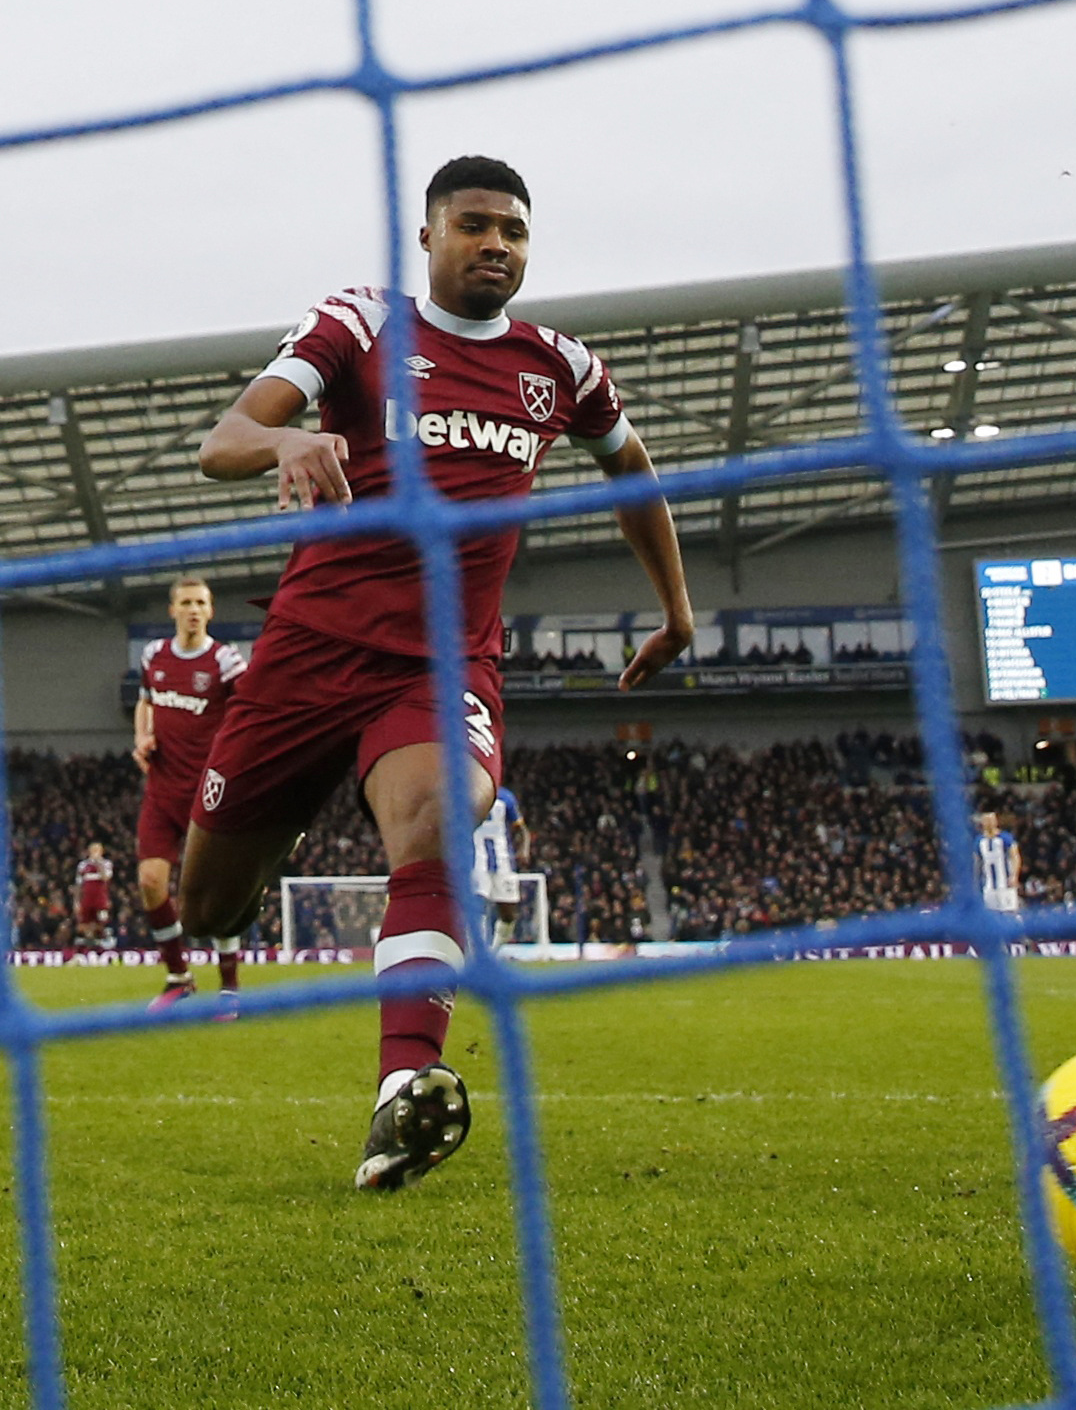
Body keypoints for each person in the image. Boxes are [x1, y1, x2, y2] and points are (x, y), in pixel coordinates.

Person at [179, 155, 695, 1191]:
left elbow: (631, 471)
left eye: (513, 229)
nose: (496, 243)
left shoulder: (562, 367)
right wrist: (283, 441)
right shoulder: (364, 325)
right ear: (429, 238)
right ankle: (295, 819)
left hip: (441, 664)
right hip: (305, 657)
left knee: (440, 818)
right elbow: (222, 438)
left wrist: (677, 608)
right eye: (474, 225)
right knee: (208, 907)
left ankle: (403, 1093)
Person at [133, 576, 248, 1012]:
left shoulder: (225, 660)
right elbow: (146, 701)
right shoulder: (154, 656)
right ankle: (178, 977)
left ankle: (229, 988)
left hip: (208, 792)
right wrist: (143, 736)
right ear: (173, 610)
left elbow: (247, 713)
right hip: (162, 789)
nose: (194, 609)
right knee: (150, 882)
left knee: (215, 892)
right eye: (186, 602)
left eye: (201, 602)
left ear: (211, 610)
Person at [473, 784, 532, 948]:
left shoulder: (505, 797)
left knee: (508, 915)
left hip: (504, 861)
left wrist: (524, 849)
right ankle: (478, 955)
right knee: (478, 909)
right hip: (476, 862)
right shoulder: (466, 794)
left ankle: (493, 952)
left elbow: (522, 829)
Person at [975, 810, 1022, 913]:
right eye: (986, 820)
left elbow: (1015, 857)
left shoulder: (1005, 837)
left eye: (992, 820)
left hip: (1006, 884)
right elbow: (976, 862)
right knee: (991, 914)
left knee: (1010, 913)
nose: (989, 823)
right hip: (988, 886)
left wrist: (1014, 875)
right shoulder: (979, 841)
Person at [73, 841, 114, 952]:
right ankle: (83, 950)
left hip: (100, 898)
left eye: (98, 850)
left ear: (101, 852)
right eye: (93, 850)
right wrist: (76, 902)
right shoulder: (82, 865)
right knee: (84, 925)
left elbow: (106, 878)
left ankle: (103, 949)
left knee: (102, 921)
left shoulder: (106, 864)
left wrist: (98, 863)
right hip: (87, 898)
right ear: (89, 852)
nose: (95, 852)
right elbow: (78, 885)